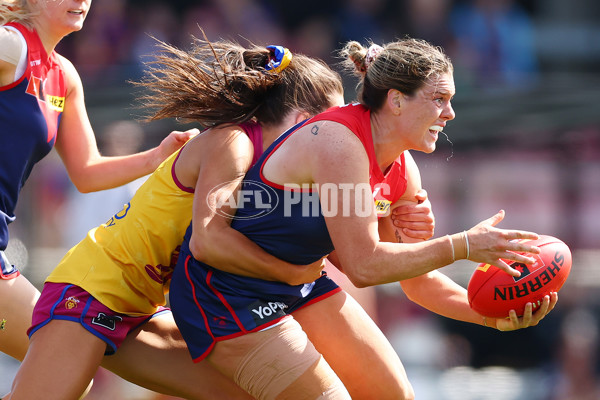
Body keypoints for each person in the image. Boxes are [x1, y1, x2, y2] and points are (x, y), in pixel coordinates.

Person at [167, 38, 558, 400]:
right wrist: (464, 246)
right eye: (439, 98)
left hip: (297, 284)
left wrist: (492, 316)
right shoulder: (338, 141)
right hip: (224, 294)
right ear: (397, 100)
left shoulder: (403, 169)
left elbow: (418, 285)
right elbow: (364, 266)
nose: (450, 113)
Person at [6, 34, 358, 399]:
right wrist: (288, 273)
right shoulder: (234, 143)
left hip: (142, 308)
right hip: (89, 292)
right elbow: (210, 240)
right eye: (332, 127)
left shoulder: (272, 167)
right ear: (302, 121)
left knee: (253, 392)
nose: (339, 142)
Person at [0, 0, 193, 365]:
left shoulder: (64, 75)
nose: (81, 1)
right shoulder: (11, 45)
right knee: (60, 365)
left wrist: (155, 157)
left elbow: (87, 171)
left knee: (62, 370)